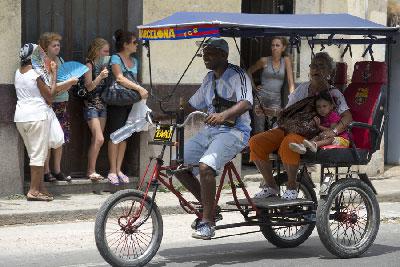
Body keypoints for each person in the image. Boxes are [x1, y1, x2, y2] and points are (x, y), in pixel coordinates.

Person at [174, 37, 253, 240]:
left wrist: (223, 115)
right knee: (178, 164)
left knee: (205, 167)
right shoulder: (209, 78)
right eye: (204, 53)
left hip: (235, 132)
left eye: (210, 53)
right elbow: (193, 103)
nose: (205, 57)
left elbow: (246, 103)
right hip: (211, 131)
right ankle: (212, 208)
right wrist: (167, 113)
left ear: (224, 55)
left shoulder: (238, 75)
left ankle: (208, 222)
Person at [249, 52, 352, 200]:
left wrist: (334, 131)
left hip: (310, 132)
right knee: (256, 142)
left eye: (321, 66)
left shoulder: (334, 93)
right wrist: (269, 111)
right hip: (289, 126)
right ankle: (271, 186)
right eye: (313, 66)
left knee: (289, 142)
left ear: (330, 72)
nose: (316, 69)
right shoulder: (303, 88)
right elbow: (287, 111)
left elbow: (347, 116)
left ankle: (291, 187)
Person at [14, 43, 62, 201]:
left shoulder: (18, 73)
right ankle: (34, 191)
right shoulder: (35, 74)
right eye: (39, 54)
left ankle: (40, 187)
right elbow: (50, 96)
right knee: (38, 155)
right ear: (33, 57)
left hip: (21, 117)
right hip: (37, 117)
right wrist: (54, 74)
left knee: (35, 154)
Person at [107, 29, 148, 185]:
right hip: (117, 101)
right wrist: (139, 89)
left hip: (130, 102)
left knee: (125, 135)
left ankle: (119, 169)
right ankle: (112, 170)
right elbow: (119, 78)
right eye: (134, 42)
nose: (137, 45)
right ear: (125, 44)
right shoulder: (115, 58)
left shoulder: (135, 61)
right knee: (115, 135)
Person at [39, 32, 77, 182]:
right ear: (45, 47)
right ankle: (46, 172)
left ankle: (57, 170)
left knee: (59, 138)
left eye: (58, 45)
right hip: (49, 104)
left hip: (63, 102)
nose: (57, 48)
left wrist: (67, 84)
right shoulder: (44, 63)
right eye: (53, 45)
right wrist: (68, 84)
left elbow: (62, 82)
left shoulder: (60, 60)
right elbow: (49, 87)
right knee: (48, 138)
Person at [247, 37, 295, 134]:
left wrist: (293, 99)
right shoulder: (264, 60)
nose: (274, 48)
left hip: (276, 99)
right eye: (273, 45)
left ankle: (272, 148)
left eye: (277, 45)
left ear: (283, 48)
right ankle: (258, 148)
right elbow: (248, 71)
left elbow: (290, 81)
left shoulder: (286, 61)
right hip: (261, 97)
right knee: (259, 128)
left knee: (275, 127)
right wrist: (254, 87)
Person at [83, 38, 110, 181]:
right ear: (97, 50)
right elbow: (89, 86)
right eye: (105, 51)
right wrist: (100, 76)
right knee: (99, 139)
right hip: (91, 105)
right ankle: (91, 170)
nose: (107, 54)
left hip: (102, 106)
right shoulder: (89, 64)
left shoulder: (104, 64)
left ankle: (91, 171)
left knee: (96, 139)